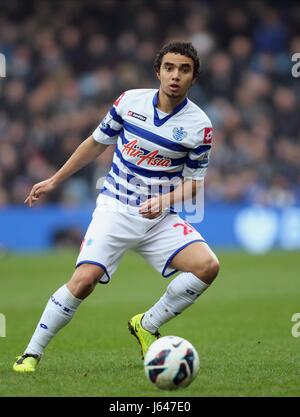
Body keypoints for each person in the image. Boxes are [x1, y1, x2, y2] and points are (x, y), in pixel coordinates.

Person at [13, 41, 220, 372]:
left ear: (194, 77)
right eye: (169, 68)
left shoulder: (200, 126)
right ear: (158, 71)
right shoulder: (129, 101)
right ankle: (31, 353)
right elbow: (96, 143)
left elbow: (195, 182)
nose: (175, 76)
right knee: (83, 281)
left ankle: (146, 325)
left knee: (208, 267)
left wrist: (165, 201)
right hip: (116, 209)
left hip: (159, 218)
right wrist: (54, 180)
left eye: (184, 69)